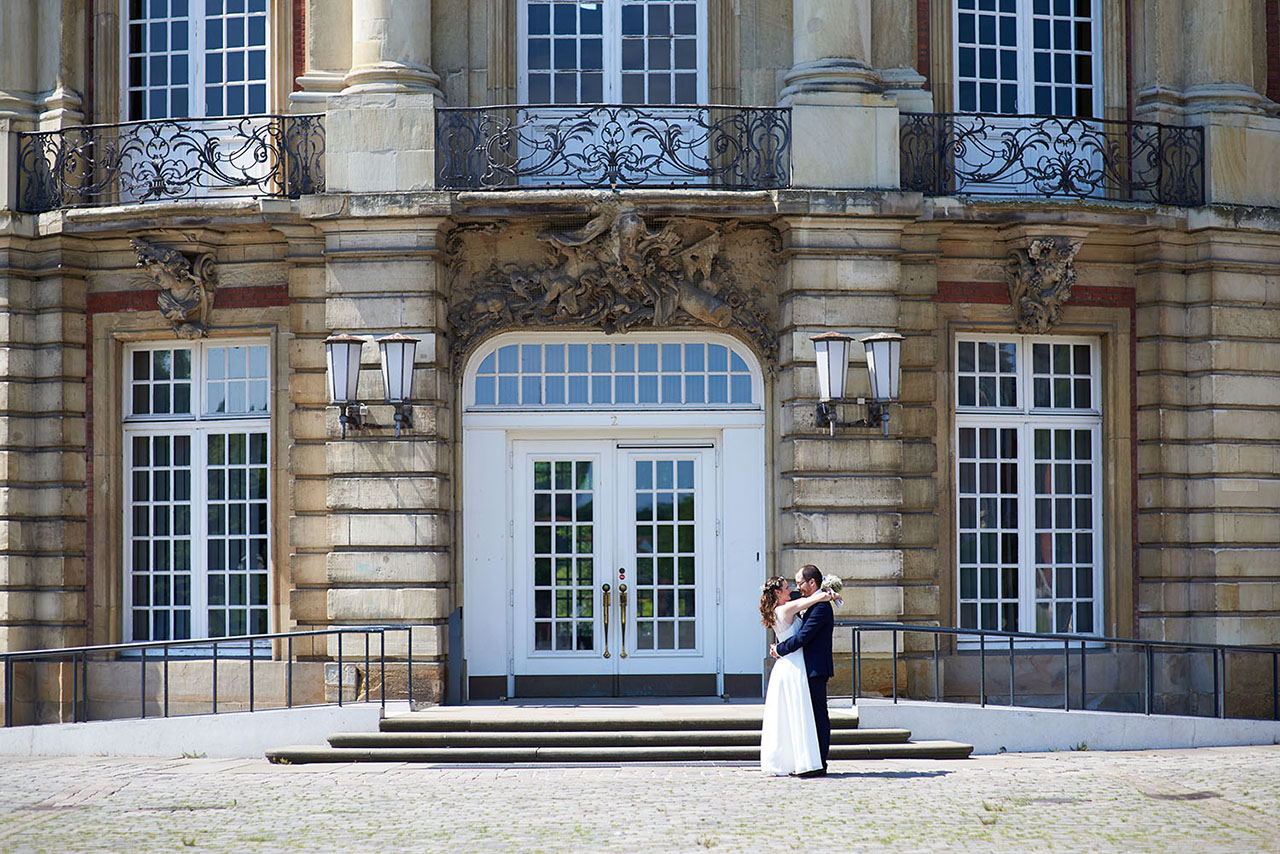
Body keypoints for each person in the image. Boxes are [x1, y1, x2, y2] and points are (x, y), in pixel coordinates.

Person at [758, 573, 838, 777]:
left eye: (796, 583)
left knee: (797, 716)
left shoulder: (785, 606)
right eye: (786, 587)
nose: (792, 589)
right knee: (798, 715)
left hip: (794, 665)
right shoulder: (786, 608)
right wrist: (828, 593)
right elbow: (809, 605)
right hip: (793, 666)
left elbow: (805, 603)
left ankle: (804, 761)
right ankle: (808, 762)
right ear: (777, 592)